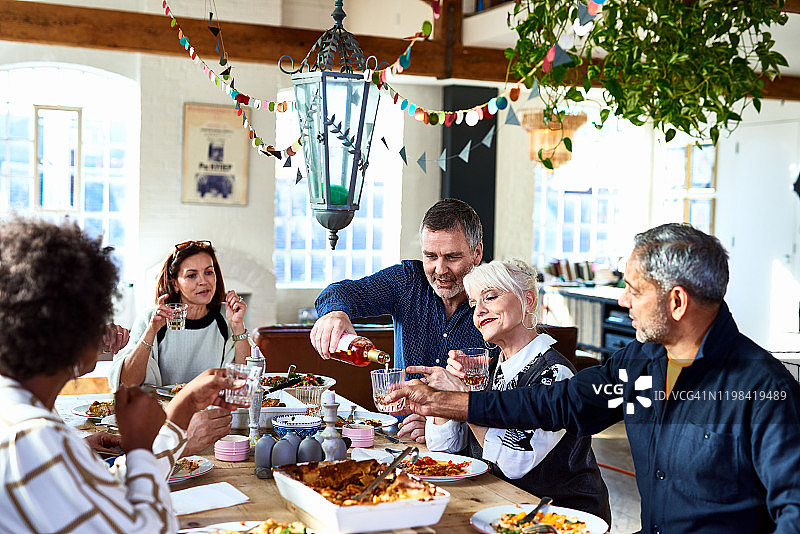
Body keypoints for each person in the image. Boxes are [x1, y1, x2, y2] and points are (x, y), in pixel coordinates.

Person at [385, 223, 800, 533]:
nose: (622, 300)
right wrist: (443, 403)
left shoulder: (764, 391)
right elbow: (556, 403)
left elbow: (794, 513)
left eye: (634, 290)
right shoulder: (641, 364)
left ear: (676, 301)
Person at [0, 217, 247, 533]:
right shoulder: (36, 441)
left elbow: (97, 498)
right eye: (100, 311)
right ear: (67, 327)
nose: (108, 324)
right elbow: (145, 528)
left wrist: (179, 412)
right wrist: (157, 443)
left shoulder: (23, 418)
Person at [413, 259, 611, 523]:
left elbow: (514, 462)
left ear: (527, 301)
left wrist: (463, 400)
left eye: (491, 297)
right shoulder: (490, 369)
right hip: (501, 506)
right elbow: (444, 449)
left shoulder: (554, 374)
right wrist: (444, 397)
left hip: (560, 520)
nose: (479, 311)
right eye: (473, 304)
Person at [311, 198, 490, 442]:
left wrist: (437, 423)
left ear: (477, 253)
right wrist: (335, 313)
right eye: (430, 256)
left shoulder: (494, 304)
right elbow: (339, 292)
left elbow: (503, 400)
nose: (439, 269)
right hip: (401, 438)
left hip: (469, 446)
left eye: (452, 257)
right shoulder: (407, 281)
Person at [108, 240, 250, 454]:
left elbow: (243, 381)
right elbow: (127, 382)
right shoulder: (152, 317)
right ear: (175, 284)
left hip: (211, 428)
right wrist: (152, 330)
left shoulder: (225, 318)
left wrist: (238, 327)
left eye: (209, 272)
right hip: (161, 428)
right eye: (192, 275)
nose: (203, 282)